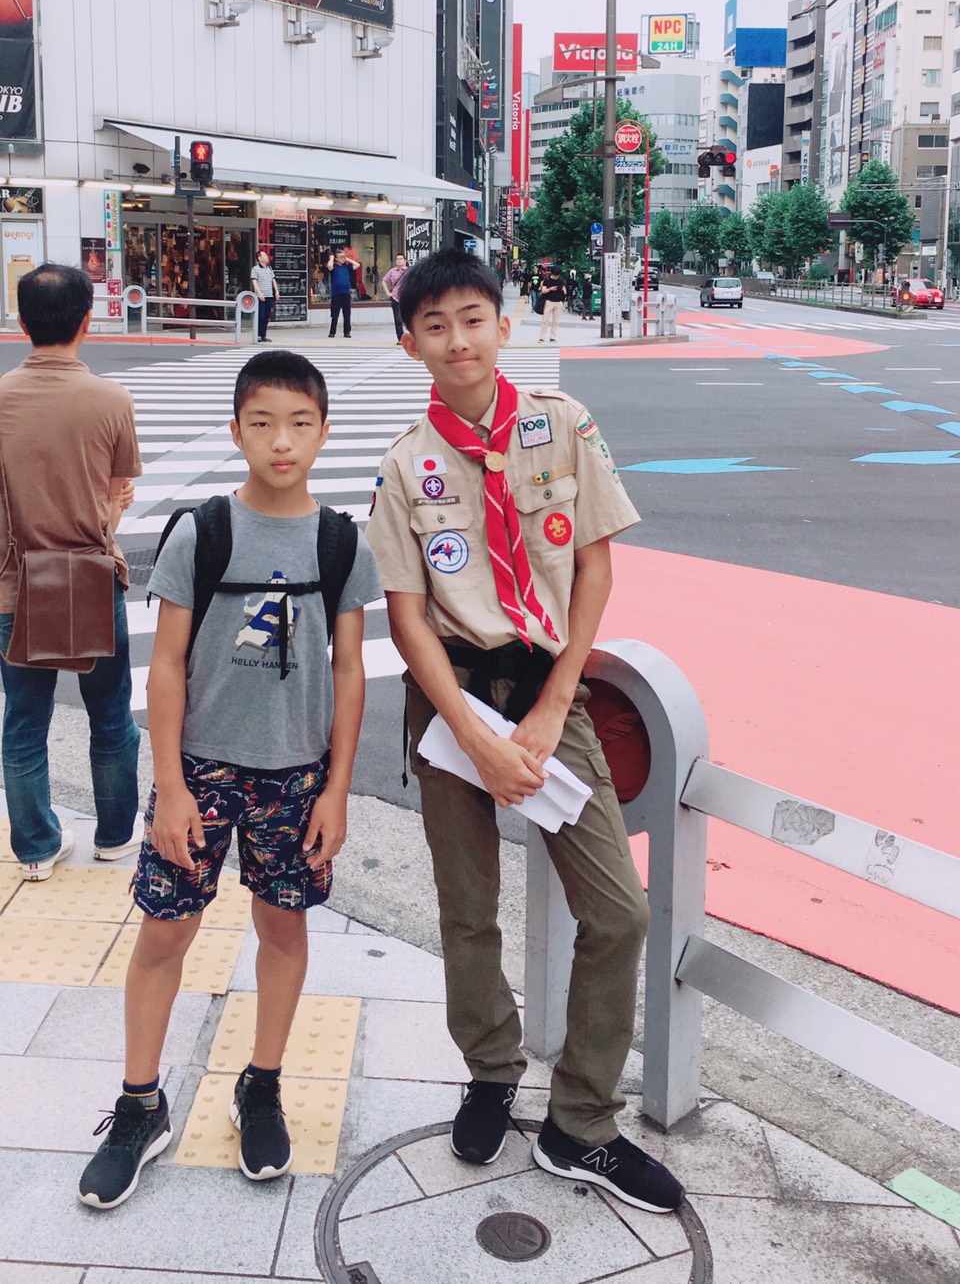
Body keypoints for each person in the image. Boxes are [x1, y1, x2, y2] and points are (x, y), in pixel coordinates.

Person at [366, 251, 684, 1216]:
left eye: (472, 318)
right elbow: (408, 618)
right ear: (410, 344)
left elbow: (594, 569)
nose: (457, 340)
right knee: (467, 908)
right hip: (450, 706)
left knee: (619, 913)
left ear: (504, 326)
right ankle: (491, 1070)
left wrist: (551, 708)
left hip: (551, 697)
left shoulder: (563, 425)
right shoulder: (405, 464)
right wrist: (473, 734)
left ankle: (581, 1122)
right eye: (434, 325)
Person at [77, 349, 383, 1209]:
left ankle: (263, 1083)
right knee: (164, 932)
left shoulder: (339, 543)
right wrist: (171, 786)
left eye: (299, 424)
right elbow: (166, 666)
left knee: (283, 930)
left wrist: (337, 790)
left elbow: (350, 671)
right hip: (203, 772)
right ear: (237, 430)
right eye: (262, 423)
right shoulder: (202, 532)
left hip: (298, 778)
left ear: (324, 432)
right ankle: (141, 1104)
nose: (281, 441)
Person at [0, 264, 141, 880]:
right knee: (110, 714)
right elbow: (114, 500)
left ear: (21, 321)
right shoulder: (112, 400)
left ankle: (35, 848)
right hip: (90, 581)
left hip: (13, 585)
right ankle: (114, 836)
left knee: (23, 721)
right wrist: (111, 505)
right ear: (88, 321)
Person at [326, 248, 360, 338]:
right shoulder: (334, 267)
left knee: (347, 314)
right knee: (335, 314)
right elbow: (329, 266)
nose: (343, 258)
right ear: (336, 258)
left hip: (346, 293)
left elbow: (357, 265)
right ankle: (332, 332)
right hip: (336, 294)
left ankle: (347, 332)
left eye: (344, 257)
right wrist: (331, 258)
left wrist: (347, 259)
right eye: (341, 257)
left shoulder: (347, 267)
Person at [251, 249, 279, 344]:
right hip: (260, 297)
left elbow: (273, 280)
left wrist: (276, 291)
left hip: (269, 295)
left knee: (267, 316)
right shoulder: (255, 269)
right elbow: (254, 282)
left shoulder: (269, 268)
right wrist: (259, 293)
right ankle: (258, 335)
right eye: (264, 255)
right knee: (261, 316)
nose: (266, 257)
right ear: (259, 258)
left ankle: (264, 335)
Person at [381, 251, 409, 344]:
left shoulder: (409, 271)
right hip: (396, 298)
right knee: (397, 319)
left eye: (401, 259)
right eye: (397, 259)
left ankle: (413, 337)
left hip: (406, 297)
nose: (399, 261)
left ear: (405, 260)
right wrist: (388, 293)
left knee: (409, 318)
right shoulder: (392, 271)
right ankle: (400, 338)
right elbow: (384, 280)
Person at [537, 266, 566, 344]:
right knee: (545, 320)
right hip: (549, 302)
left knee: (556, 321)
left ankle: (552, 337)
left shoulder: (561, 281)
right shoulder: (547, 281)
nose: (557, 276)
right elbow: (543, 291)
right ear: (552, 274)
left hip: (558, 302)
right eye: (555, 275)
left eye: (558, 275)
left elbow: (563, 291)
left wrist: (564, 292)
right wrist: (550, 289)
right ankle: (542, 337)